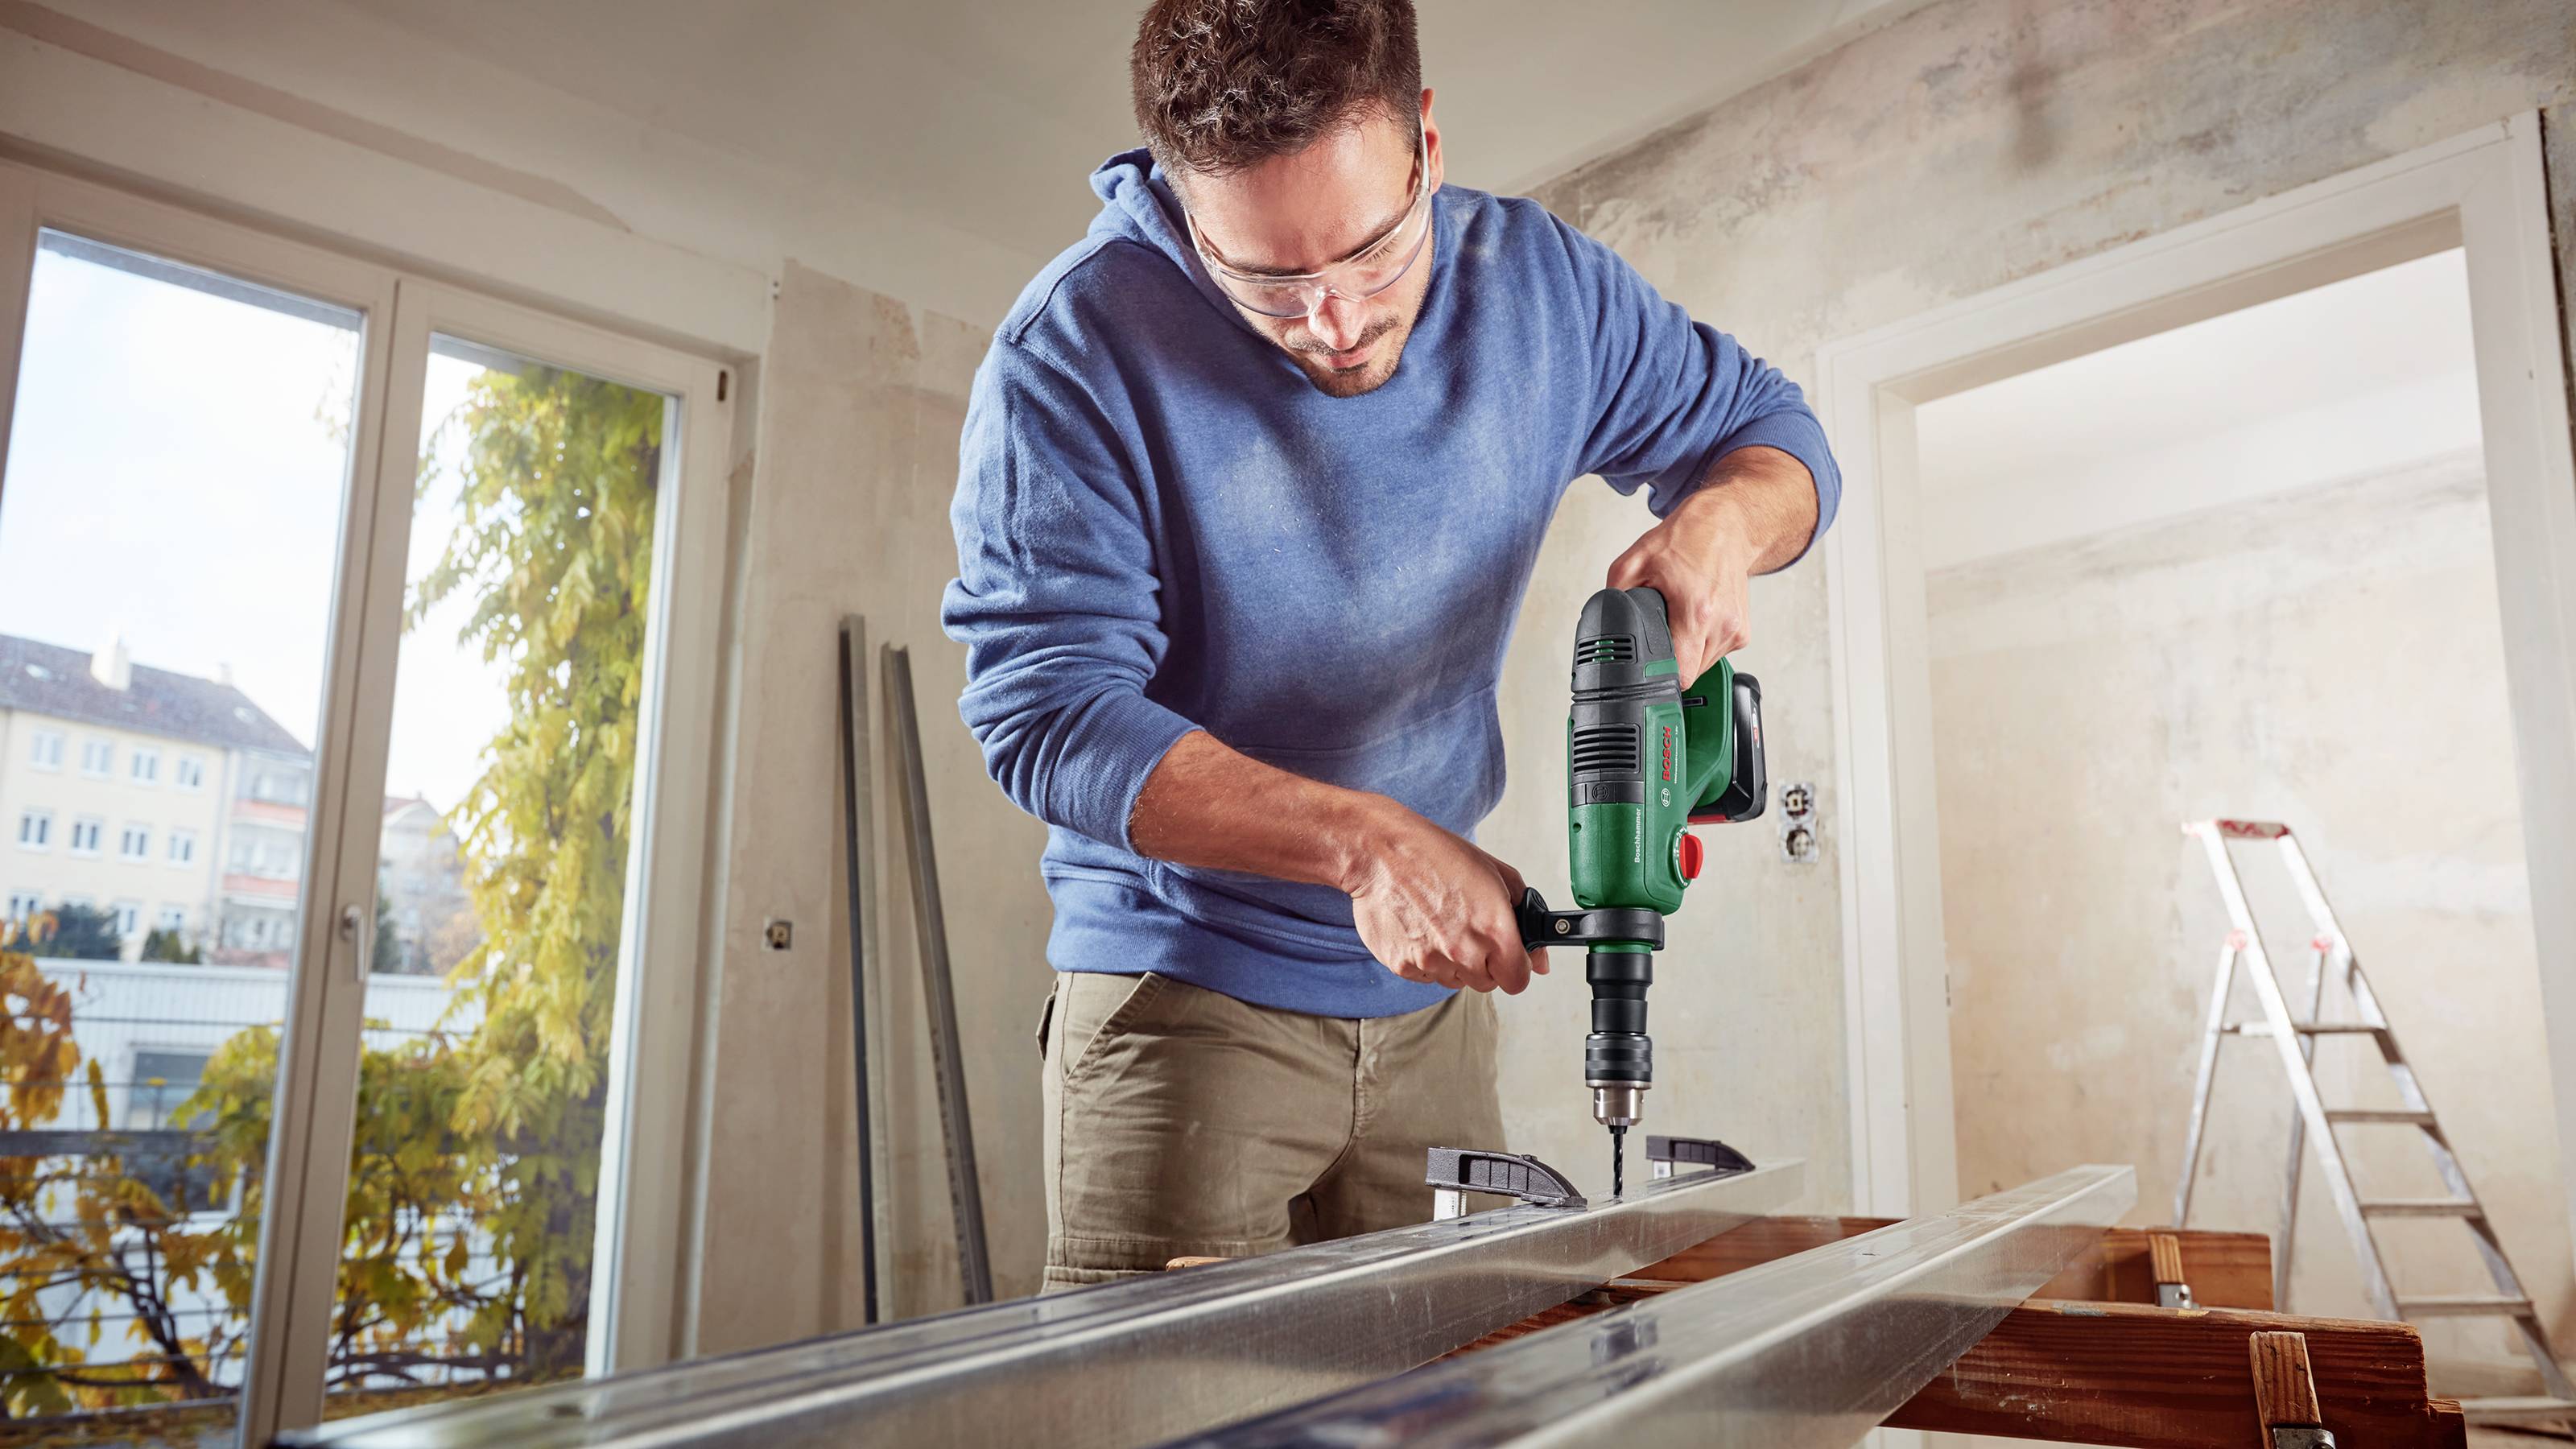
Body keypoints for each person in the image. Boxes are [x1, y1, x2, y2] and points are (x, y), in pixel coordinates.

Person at [943, 0, 1839, 1290]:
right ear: (1188, 208)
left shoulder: (1541, 292)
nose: (1334, 321)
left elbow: (1773, 431)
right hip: (1182, 997)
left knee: (1446, 1403)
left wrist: (1721, 524)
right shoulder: (1074, 354)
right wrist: (1361, 845)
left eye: (1371, 254)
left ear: (1426, 140)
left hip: (1435, 1018)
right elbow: (1047, 717)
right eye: (1266, 280)